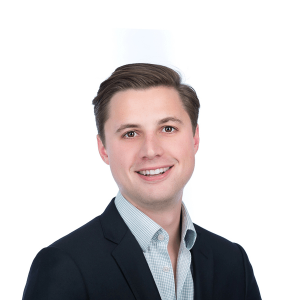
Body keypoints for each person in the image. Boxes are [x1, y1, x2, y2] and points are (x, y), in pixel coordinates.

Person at [22, 63, 262, 300]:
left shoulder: (232, 263)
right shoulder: (64, 266)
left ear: (195, 138)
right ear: (103, 149)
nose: (151, 150)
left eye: (168, 128)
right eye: (130, 133)